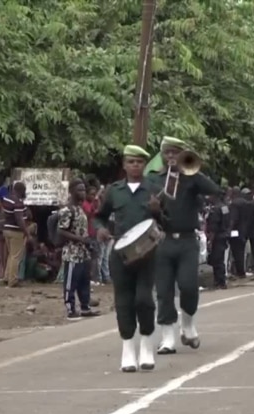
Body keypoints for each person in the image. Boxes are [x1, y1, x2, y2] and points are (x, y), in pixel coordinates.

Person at [147, 136, 223, 355]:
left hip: (188, 241)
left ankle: (187, 323)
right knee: (164, 291)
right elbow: (147, 208)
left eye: (175, 152)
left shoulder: (191, 178)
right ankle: (167, 338)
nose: (171, 156)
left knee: (189, 286)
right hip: (163, 239)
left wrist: (191, 170)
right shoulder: (154, 179)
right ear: (162, 154)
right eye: (167, 152)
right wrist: (153, 210)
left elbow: (214, 189)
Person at [95, 144, 163, 372]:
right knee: (123, 301)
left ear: (144, 165)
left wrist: (156, 211)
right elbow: (99, 217)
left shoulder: (154, 188)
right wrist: (101, 230)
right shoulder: (114, 191)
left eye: (139, 162)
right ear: (124, 165)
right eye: (131, 162)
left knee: (144, 299)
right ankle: (127, 348)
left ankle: (146, 344)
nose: (135, 165)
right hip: (120, 253)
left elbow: (167, 220)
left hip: (147, 253)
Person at [58, 179, 101, 319]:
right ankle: (71, 309)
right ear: (71, 192)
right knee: (71, 282)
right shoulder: (67, 210)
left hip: (84, 252)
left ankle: (85, 307)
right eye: (79, 190)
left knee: (84, 282)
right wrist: (80, 239)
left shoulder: (80, 208)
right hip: (72, 252)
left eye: (83, 190)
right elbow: (61, 231)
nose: (82, 193)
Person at [2, 182, 34, 287]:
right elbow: (19, 219)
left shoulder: (7, 199)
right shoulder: (17, 202)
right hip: (16, 231)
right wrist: (27, 233)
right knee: (16, 257)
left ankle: (7, 277)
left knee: (11, 255)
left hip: (6, 229)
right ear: (22, 191)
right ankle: (13, 280)